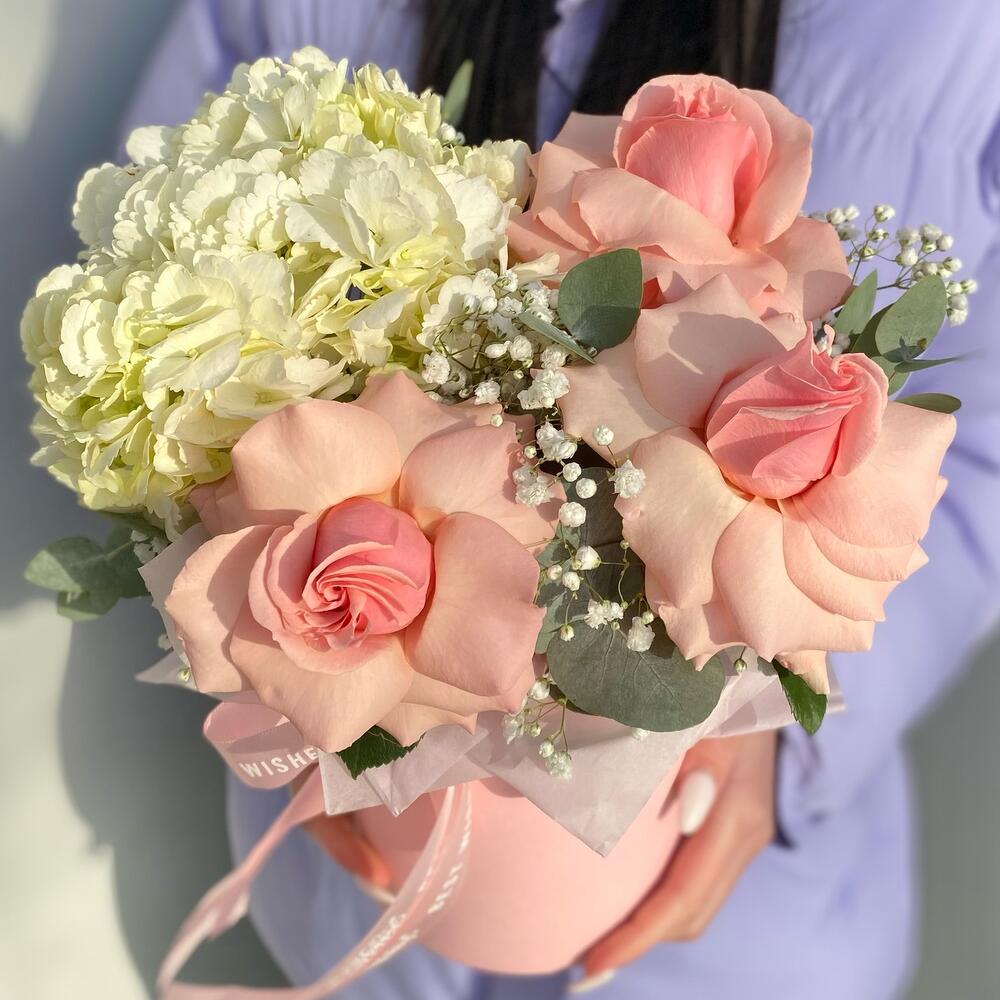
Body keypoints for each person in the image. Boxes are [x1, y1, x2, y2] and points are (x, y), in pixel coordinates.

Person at [122, 2, 1000, 997]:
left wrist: (782, 732)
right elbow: (159, 343)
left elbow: (978, 468)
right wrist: (297, 708)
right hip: (361, 914)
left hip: (738, 933)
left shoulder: (950, 34)